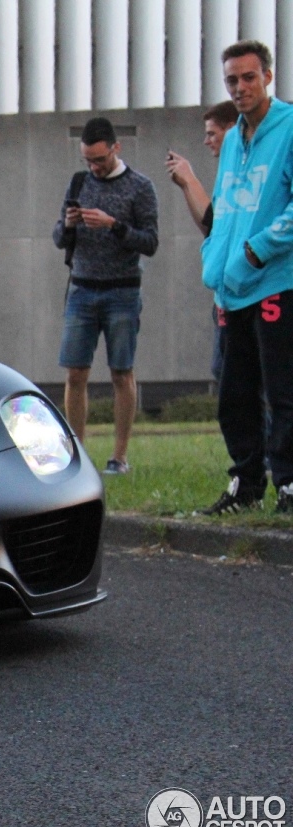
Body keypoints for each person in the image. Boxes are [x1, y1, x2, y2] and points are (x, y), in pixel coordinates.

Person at [196, 40, 293, 515]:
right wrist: (216, 260)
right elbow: (227, 210)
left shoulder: (290, 128)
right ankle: (247, 484)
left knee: (283, 389)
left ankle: (290, 484)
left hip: (277, 281)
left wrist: (255, 252)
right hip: (230, 290)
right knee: (234, 394)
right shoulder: (233, 139)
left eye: (249, 77)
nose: (240, 87)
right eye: (232, 80)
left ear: (268, 78)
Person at [52, 117, 159, 475]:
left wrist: (114, 226)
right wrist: (68, 224)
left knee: (121, 372)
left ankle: (120, 456)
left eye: (99, 160)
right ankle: (78, 455)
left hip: (122, 291)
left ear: (117, 148)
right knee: (76, 373)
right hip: (82, 288)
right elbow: (57, 238)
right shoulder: (79, 183)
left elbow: (150, 242)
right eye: (88, 161)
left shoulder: (140, 187)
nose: (94, 168)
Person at [166, 100, 239, 383]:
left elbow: (214, 222)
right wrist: (186, 185)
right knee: (222, 371)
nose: (206, 140)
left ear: (231, 130)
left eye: (212, 133)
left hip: (243, 290)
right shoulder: (228, 170)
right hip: (224, 291)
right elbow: (210, 230)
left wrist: (191, 179)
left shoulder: (242, 170)